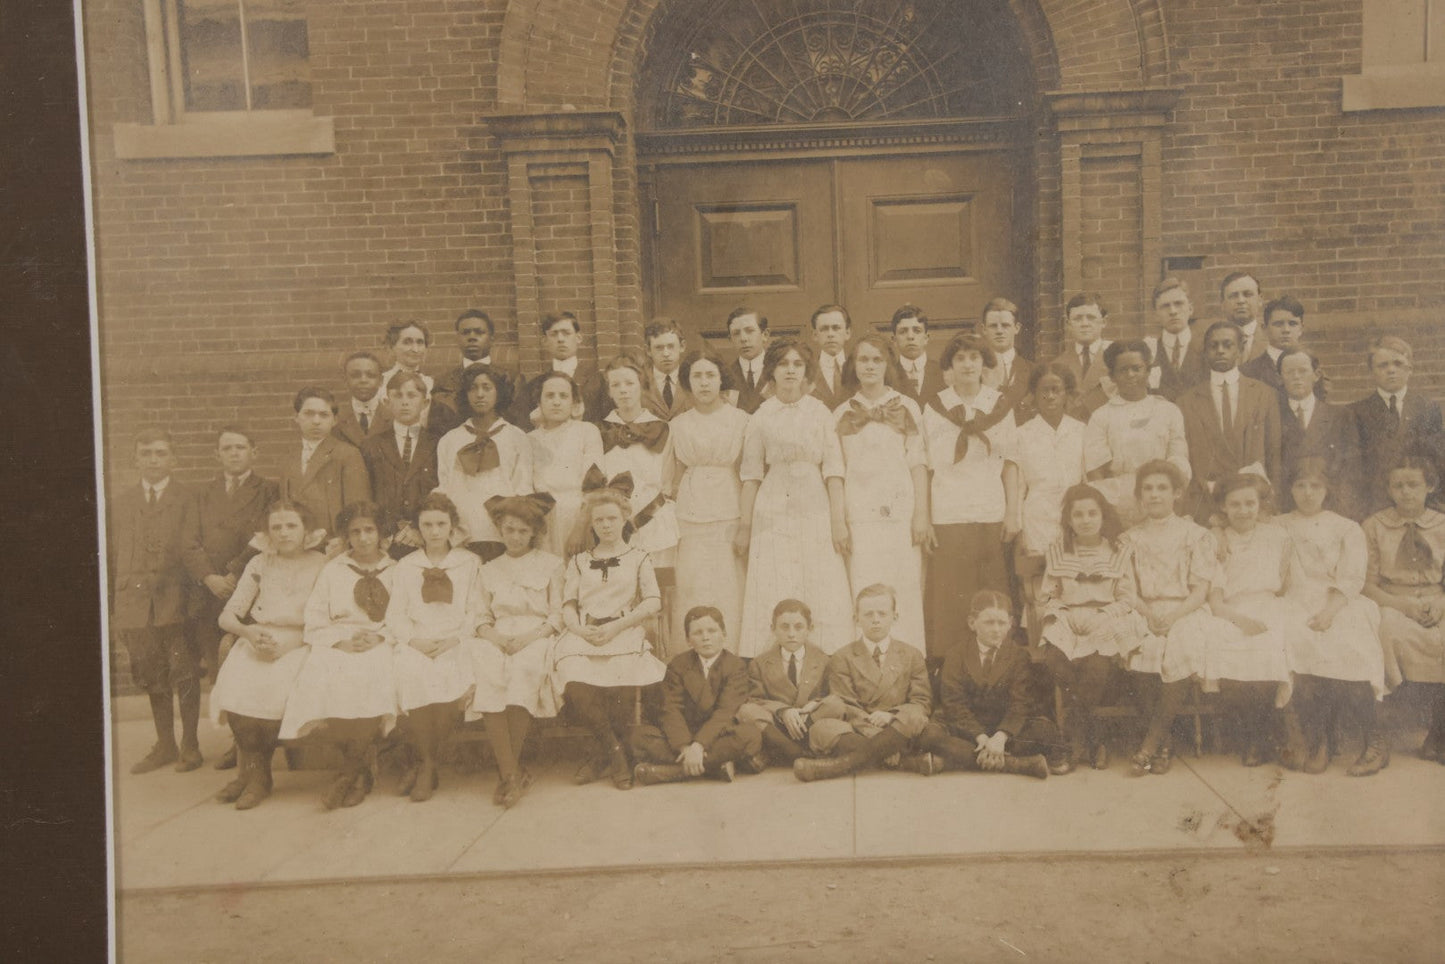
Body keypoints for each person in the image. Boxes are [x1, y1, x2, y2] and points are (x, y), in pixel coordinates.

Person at [735, 339, 855, 657]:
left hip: (814, 502)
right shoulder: (760, 415)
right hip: (773, 506)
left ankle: (823, 658)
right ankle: (772, 662)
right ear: (771, 371)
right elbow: (750, 475)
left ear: (806, 372)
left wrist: (838, 521)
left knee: (819, 575)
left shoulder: (820, 413)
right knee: (777, 576)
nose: (790, 370)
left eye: (797, 364)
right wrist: (745, 526)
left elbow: (834, 471)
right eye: (783, 364)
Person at [278, 501, 398, 809]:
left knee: (374, 673)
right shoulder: (333, 571)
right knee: (328, 674)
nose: (363, 538)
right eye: (355, 532)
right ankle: (358, 772)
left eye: (369, 530)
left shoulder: (398, 571)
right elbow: (316, 619)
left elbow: (405, 617)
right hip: (339, 640)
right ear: (346, 537)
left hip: (380, 640)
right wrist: (340, 642)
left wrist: (379, 636)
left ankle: (349, 775)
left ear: (381, 533)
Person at [210, 500, 329, 808]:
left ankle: (258, 778)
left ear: (306, 531)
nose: (284, 533)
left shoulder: (321, 563)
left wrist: (293, 643)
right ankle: (252, 774)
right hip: (259, 637)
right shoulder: (259, 563)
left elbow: (326, 616)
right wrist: (249, 634)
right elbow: (228, 616)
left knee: (271, 690)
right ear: (267, 533)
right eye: (276, 527)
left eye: (291, 526)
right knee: (237, 685)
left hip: (303, 641)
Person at [1118, 460, 1232, 776]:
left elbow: (1200, 588)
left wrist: (1173, 614)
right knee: (1141, 645)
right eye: (1148, 489)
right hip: (1144, 608)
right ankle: (1164, 743)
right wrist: (1148, 613)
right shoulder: (1129, 539)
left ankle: (1150, 744)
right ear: (1139, 496)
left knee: (1179, 644)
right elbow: (1125, 587)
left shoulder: (1195, 535)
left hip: (1186, 609)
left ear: (1177, 493)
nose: (1154, 495)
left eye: (1162, 488)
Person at [550, 482, 667, 790]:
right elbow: (568, 604)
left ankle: (604, 755)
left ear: (624, 519)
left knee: (624, 675)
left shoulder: (639, 556)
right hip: (585, 630)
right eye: (599, 519)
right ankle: (615, 752)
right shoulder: (579, 560)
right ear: (591, 523)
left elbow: (653, 601)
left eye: (612, 518)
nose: (605, 525)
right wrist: (578, 629)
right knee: (573, 676)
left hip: (622, 629)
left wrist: (617, 626)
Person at [1278, 458, 1388, 775]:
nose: (1308, 493)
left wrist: (1329, 612)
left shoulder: (1345, 527)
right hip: (1294, 600)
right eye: (1300, 486)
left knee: (1349, 645)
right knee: (1298, 642)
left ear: (1327, 490)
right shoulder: (1278, 524)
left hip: (1340, 601)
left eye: (1315, 486)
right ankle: (1320, 740)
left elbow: (1352, 578)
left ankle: (1374, 741)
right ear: (1291, 489)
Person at [921, 332, 1019, 663]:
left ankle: (996, 669)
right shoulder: (935, 408)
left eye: (974, 358)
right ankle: (951, 676)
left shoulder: (1000, 406)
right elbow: (926, 466)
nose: (967, 364)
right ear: (949, 365)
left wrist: (1013, 513)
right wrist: (925, 517)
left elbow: (1011, 463)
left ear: (984, 364)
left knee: (992, 598)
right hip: (949, 515)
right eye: (960, 358)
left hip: (990, 513)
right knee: (951, 601)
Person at [110, 429, 204, 775]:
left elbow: (195, 549)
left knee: (184, 671)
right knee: (152, 674)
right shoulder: (121, 502)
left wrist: (195, 604)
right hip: (136, 605)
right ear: (135, 459)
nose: (153, 460)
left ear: (173, 460)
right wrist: (115, 610)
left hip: (176, 602)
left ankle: (191, 743)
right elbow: (111, 556)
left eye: (160, 453)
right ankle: (166, 744)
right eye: (146, 453)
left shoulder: (188, 498)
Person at [1036, 485, 1144, 769]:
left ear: (1102, 516)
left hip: (1104, 617)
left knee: (1096, 669)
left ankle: (1077, 739)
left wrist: (1103, 615)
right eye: (1078, 514)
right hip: (1068, 618)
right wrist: (1063, 613)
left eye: (1092, 513)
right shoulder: (1059, 551)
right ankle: (1094, 737)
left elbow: (1127, 598)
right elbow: (1048, 594)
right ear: (1069, 520)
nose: (1085, 519)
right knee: (1055, 660)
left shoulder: (1117, 551)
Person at [833, 335, 929, 650]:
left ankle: (906, 669)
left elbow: (918, 465)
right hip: (859, 519)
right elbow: (837, 472)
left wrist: (921, 516)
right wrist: (841, 522)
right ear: (853, 366)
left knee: (903, 591)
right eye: (863, 360)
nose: (870, 366)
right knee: (863, 590)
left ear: (887, 365)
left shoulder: (907, 407)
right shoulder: (841, 413)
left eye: (877, 360)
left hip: (900, 518)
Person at [469, 494, 564, 808]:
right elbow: (480, 616)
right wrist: (494, 637)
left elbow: (556, 615)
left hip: (536, 634)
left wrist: (529, 637)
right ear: (500, 530)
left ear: (534, 532)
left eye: (523, 531)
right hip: (497, 635)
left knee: (524, 672)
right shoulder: (488, 569)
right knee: (489, 674)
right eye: (509, 529)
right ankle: (512, 773)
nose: (515, 536)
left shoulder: (551, 565)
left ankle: (507, 774)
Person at [385, 492, 481, 802]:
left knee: (452, 677)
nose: (435, 531)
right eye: (427, 525)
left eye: (441, 524)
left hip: (457, 638)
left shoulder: (468, 562)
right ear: (418, 529)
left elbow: (477, 609)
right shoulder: (406, 566)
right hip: (418, 640)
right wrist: (414, 640)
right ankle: (428, 763)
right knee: (411, 673)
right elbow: (395, 613)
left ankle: (425, 764)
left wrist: (456, 639)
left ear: (452, 527)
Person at [793, 585, 935, 781]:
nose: (875, 620)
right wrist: (882, 740)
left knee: (915, 717)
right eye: (868, 614)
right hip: (861, 728)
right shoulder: (843, 656)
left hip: (898, 726)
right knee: (822, 728)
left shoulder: (911, 655)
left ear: (895, 617)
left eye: (882, 614)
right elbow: (846, 704)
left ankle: (836, 767)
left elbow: (921, 701)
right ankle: (904, 761)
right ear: (856, 619)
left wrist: (890, 717)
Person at [1205, 474, 1300, 767]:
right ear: (1223, 507)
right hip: (1229, 610)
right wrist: (1239, 620)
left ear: (1261, 505)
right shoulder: (1215, 541)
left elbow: (1285, 582)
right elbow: (1216, 600)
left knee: (1272, 645)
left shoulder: (1277, 536)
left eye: (1250, 503)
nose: (1243, 510)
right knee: (1227, 645)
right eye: (1235, 504)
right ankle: (1253, 737)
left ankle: (1268, 734)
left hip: (1269, 604)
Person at [917, 590, 1061, 778]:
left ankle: (953, 760)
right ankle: (1016, 764)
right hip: (968, 731)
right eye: (989, 622)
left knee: (1045, 731)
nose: (996, 629)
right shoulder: (956, 655)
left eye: (1002, 623)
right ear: (972, 623)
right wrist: (982, 738)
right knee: (929, 734)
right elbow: (954, 704)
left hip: (1004, 730)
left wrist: (1000, 738)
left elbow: (1021, 704)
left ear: (1010, 624)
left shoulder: (1018, 656)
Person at [662, 348, 749, 656]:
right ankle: (688, 661)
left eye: (710, 375)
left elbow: (748, 472)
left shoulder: (741, 421)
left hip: (729, 507)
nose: (703, 383)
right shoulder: (679, 424)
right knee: (692, 585)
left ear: (721, 379)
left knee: (728, 585)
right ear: (687, 382)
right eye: (696, 376)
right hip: (691, 511)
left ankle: (731, 658)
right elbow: (672, 475)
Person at [1363, 456, 1445, 764]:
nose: (1406, 492)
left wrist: (1440, 604)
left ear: (1430, 486)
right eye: (1398, 486)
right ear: (1388, 489)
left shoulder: (1442, 524)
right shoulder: (1375, 525)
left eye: (1414, 485)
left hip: (1438, 600)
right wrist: (1403, 605)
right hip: (1392, 600)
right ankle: (1381, 735)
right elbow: (1367, 585)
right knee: (1385, 632)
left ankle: (1439, 735)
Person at [183, 427, 279, 685]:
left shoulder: (269, 490)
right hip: (209, 590)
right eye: (227, 448)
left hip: (248, 585)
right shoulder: (201, 494)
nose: (234, 453)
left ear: (254, 452)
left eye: (240, 447)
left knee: (246, 660)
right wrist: (209, 577)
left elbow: (265, 536)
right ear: (217, 455)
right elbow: (188, 541)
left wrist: (235, 573)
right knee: (215, 661)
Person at [630, 606, 766, 785]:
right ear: (688, 640)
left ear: (723, 634)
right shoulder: (678, 665)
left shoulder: (735, 666)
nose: (706, 637)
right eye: (698, 633)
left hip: (717, 735)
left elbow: (725, 712)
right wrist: (685, 746)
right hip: (684, 735)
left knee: (751, 735)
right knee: (638, 737)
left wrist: (699, 745)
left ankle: (674, 772)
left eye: (712, 631)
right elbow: (670, 709)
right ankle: (715, 767)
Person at [1175, 322, 1281, 523]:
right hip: (1208, 506)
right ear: (1205, 353)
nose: (1220, 351)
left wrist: (1271, 504)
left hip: (1253, 505)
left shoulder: (1263, 394)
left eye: (1227, 345)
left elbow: (1274, 453)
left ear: (1240, 350)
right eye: (1213, 346)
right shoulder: (1186, 401)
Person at [1084, 340, 1191, 526]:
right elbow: (1096, 471)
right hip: (1120, 502)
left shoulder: (1168, 410)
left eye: (1136, 368)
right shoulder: (1101, 416)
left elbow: (1178, 458)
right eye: (1122, 370)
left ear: (1148, 371)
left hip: (1161, 498)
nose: (1130, 375)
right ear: (1112, 376)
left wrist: (1168, 496)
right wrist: (1111, 514)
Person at [1013, 361, 1086, 625]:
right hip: (1038, 518)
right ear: (1033, 394)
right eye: (1044, 390)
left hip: (1075, 519)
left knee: (1074, 582)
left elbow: (1087, 481)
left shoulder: (1081, 432)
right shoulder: (1022, 435)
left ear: (1066, 393)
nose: (1051, 396)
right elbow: (1019, 486)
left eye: (1057, 390)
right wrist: (1020, 530)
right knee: (1040, 588)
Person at [435, 364, 532, 561]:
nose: (480, 394)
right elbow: (445, 488)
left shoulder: (516, 437)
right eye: (473, 388)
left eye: (487, 388)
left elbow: (523, 487)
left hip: (502, 535)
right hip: (462, 535)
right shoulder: (450, 440)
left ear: (499, 392)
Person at [736, 599, 845, 765]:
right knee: (746, 710)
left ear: (810, 629)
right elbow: (755, 699)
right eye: (784, 627)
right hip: (777, 725)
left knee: (836, 704)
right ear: (773, 629)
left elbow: (830, 694)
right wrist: (783, 711)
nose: (791, 633)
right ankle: (795, 751)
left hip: (809, 721)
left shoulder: (822, 659)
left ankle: (783, 752)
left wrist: (813, 705)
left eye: (799, 627)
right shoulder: (759, 663)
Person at [1350, 335, 1445, 516]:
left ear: (1410, 369)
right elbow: (1355, 470)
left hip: (1420, 507)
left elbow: (1436, 462)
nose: (1391, 370)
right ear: (1371, 371)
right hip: (1374, 509)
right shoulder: (1356, 413)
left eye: (1398, 364)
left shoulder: (1427, 409)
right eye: (1383, 365)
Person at [599, 354, 678, 568]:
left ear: (641, 386)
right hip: (613, 529)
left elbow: (668, 482)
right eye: (616, 384)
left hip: (656, 524)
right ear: (609, 391)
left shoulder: (661, 429)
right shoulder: (601, 431)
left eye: (629, 383)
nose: (623, 390)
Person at [361, 371, 439, 557]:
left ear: (425, 403)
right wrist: (384, 533)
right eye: (397, 395)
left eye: (412, 395)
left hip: (425, 537)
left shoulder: (438, 443)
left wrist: (418, 529)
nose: (405, 402)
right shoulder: (371, 445)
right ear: (386, 402)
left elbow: (442, 491)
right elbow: (366, 494)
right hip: (385, 541)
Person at [527, 371, 605, 559]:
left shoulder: (586, 431)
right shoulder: (530, 439)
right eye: (549, 396)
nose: (556, 402)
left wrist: (580, 528)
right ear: (539, 402)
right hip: (543, 522)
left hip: (579, 517)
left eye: (563, 396)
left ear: (573, 402)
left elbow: (594, 486)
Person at [1277, 349, 1362, 520]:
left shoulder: (1340, 416)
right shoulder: (1272, 416)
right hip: (1286, 510)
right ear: (1280, 377)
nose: (1296, 376)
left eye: (1302, 371)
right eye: (1289, 372)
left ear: (1316, 375)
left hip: (1331, 509)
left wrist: (1342, 511)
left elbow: (1351, 468)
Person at [279, 386, 371, 539]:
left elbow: (358, 508)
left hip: (333, 542)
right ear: (296, 417)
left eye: (324, 415)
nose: (316, 421)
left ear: (334, 420)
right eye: (309, 414)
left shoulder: (347, 454)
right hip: (295, 543)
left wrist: (344, 541)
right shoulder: (288, 457)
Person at [432, 309, 525, 427]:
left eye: (479, 332)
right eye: (465, 333)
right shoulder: (443, 382)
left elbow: (516, 421)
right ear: (458, 339)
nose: (472, 337)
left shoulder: (511, 379)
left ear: (491, 339)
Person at [516, 311, 608, 424]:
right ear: (545, 341)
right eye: (554, 334)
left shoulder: (598, 381)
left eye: (566, 333)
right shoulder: (535, 385)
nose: (560, 339)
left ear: (578, 338)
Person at [1144, 277, 1207, 401]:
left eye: (1178, 304)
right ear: (1156, 314)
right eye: (1165, 306)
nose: (1173, 311)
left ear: (1190, 309)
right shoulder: (1148, 352)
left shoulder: (1206, 347)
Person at [1241, 295, 1314, 395]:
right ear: (1264, 329)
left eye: (1292, 324)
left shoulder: (1313, 369)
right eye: (1278, 324)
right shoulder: (1248, 372)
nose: (1286, 330)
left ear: (1301, 329)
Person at [978, 297, 1036, 420]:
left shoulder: (1033, 371)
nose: (999, 331)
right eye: (993, 326)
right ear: (984, 329)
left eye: (1005, 325)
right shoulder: (975, 370)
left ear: (1017, 328)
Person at [1054, 292, 1113, 398]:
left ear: (1104, 322)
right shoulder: (1058, 365)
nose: (1084, 324)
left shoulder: (1117, 357)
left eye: (1091, 317)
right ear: (1069, 324)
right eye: (1077, 318)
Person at [332, 351, 392, 449]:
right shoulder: (335, 420)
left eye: (371, 375)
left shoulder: (393, 418)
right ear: (345, 380)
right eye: (355, 375)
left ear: (381, 381)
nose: (363, 380)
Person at [890, 304, 945, 404]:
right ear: (894, 340)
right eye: (903, 331)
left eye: (917, 331)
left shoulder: (943, 372)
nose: (910, 336)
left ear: (926, 337)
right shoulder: (887, 375)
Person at [641, 319, 691, 420]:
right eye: (659, 348)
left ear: (682, 346)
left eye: (671, 346)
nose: (666, 354)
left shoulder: (693, 379)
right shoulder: (639, 382)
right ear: (648, 350)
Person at [809, 303, 856, 411]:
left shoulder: (858, 367)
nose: (830, 334)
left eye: (836, 328)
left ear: (847, 333)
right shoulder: (807, 370)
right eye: (824, 329)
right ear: (815, 335)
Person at [725, 306, 771, 414]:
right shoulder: (724, 376)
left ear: (765, 334)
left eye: (749, 331)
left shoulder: (780, 371)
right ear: (730, 340)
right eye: (736, 333)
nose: (743, 339)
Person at [1218, 271, 1268, 363]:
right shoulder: (1212, 340)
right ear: (1223, 304)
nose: (1241, 301)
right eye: (1233, 296)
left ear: (1260, 299)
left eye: (1248, 294)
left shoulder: (1272, 337)